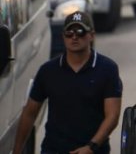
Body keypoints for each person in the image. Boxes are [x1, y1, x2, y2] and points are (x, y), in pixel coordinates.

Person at [12, 12, 122, 154]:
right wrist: (17, 150)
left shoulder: (108, 69)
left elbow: (112, 116)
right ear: (63, 36)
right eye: (69, 32)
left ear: (91, 35)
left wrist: (91, 146)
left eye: (80, 32)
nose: (74, 37)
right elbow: (29, 113)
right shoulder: (48, 71)